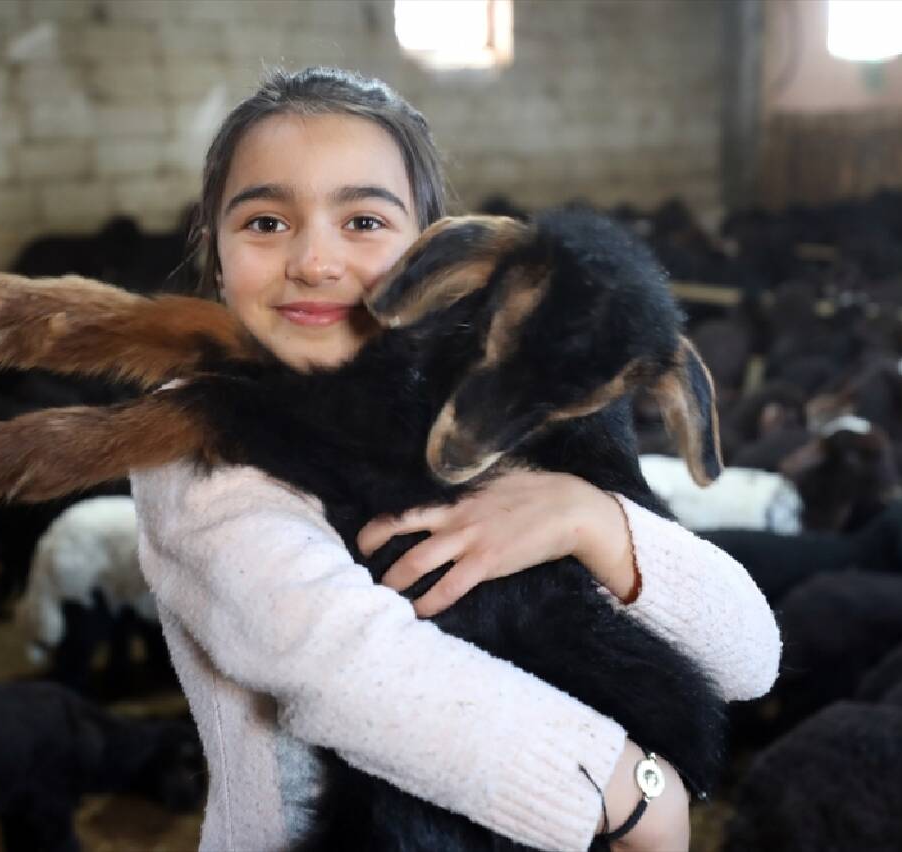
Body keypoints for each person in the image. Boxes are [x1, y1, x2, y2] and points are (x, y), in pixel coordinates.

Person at [130, 66, 781, 852]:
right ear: (214, 245)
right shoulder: (198, 427)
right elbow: (338, 662)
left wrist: (591, 520)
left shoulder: (500, 406)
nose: (314, 260)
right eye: (266, 223)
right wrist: (632, 788)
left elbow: (749, 658)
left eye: (364, 221)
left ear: (438, 250)